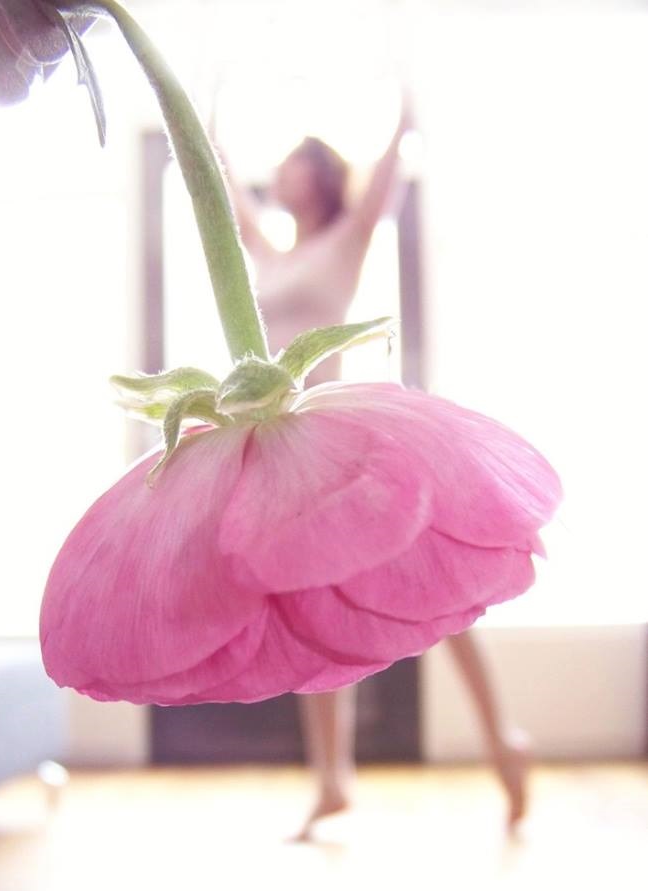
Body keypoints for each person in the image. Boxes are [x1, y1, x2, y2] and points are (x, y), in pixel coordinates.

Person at [217, 99, 530, 839]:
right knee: (310, 609)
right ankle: (332, 779)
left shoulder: (346, 241)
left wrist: (408, 107)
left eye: (295, 160)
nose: (281, 170)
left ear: (320, 178)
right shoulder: (270, 254)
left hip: (342, 444)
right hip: (287, 455)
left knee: (435, 591)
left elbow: (385, 180)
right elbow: (224, 192)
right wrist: (207, 122)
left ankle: (501, 736)